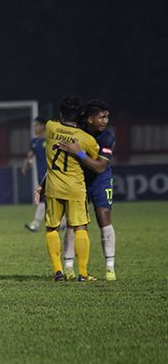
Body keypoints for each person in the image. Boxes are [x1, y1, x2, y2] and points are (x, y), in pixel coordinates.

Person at [42, 97, 106, 282]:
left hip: (53, 187)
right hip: (75, 188)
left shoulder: (50, 127)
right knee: (80, 228)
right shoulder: (87, 140)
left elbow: (56, 125)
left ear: (61, 113)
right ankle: (83, 273)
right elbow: (95, 162)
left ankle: (58, 271)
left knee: (52, 228)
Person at [59, 100, 117, 281]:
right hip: (79, 180)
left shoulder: (107, 137)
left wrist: (79, 153)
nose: (105, 120)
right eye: (101, 117)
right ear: (90, 119)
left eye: (107, 117)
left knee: (103, 218)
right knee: (74, 222)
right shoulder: (76, 131)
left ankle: (109, 268)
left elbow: (100, 167)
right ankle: (68, 267)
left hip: (100, 180)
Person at [22, 117, 48, 232]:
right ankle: (64, 224)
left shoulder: (51, 140)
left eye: (36, 125)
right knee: (50, 199)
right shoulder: (34, 142)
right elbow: (30, 156)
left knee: (44, 199)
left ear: (43, 126)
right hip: (41, 175)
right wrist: (25, 166)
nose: (34, 128)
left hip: (53, 174)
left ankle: (35, 224)